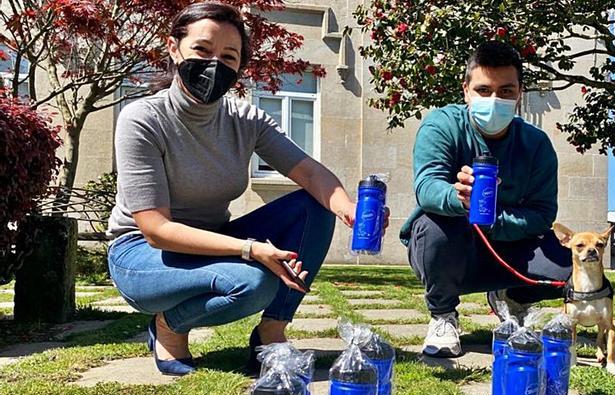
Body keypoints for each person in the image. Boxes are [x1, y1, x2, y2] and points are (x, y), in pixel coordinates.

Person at [107, 2, 385, 376]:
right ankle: (168, 327)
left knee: (316, 207)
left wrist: (347, 208)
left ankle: (271, 332)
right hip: (143, 255)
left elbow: (312, 174)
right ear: (174, 48)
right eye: (202, 50)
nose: (214, 65)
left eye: (228, 57)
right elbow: (156, 230)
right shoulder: (142, 119)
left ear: (240, 67)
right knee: (253, 283)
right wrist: (250, 249)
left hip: (212, 240)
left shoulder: (246, 119)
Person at [400, 40, 570, 357]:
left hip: (508, 243)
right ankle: (443, 315)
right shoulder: (442, 124)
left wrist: (494, 219)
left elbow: (544, 212)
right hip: (451, 245)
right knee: (435, 227)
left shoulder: (536, 143)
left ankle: (512, 297)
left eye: (506, 91)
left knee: (565, 266)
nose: (494, 100)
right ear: (466, 90)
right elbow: (426, 186)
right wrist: (457, 197)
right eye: (483, 90)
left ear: (520, 93)